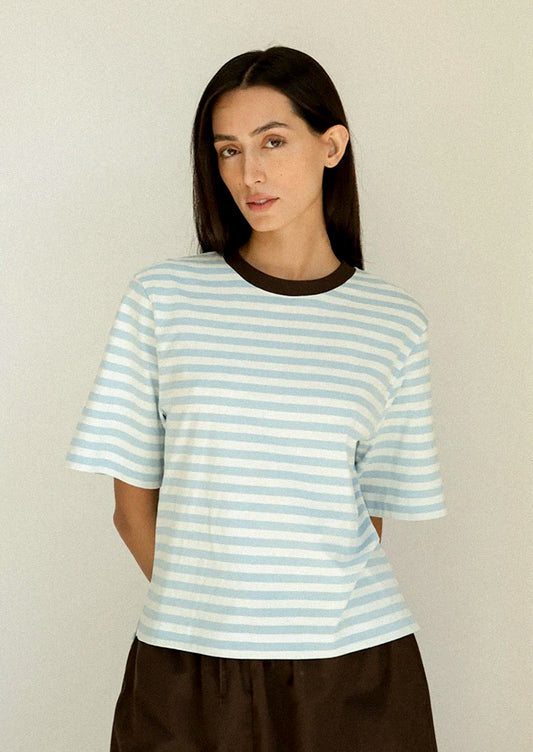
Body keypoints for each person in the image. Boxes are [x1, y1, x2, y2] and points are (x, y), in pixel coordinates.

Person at [66, 45, 447, 752]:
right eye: (228, 150)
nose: (250, 173)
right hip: (189, 662)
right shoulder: (164, 299)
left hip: (353, 666)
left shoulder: (392, 322)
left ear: (331, 146)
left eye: (273, 142)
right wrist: (217, 616)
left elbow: (365, 515)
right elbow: (129, 509)